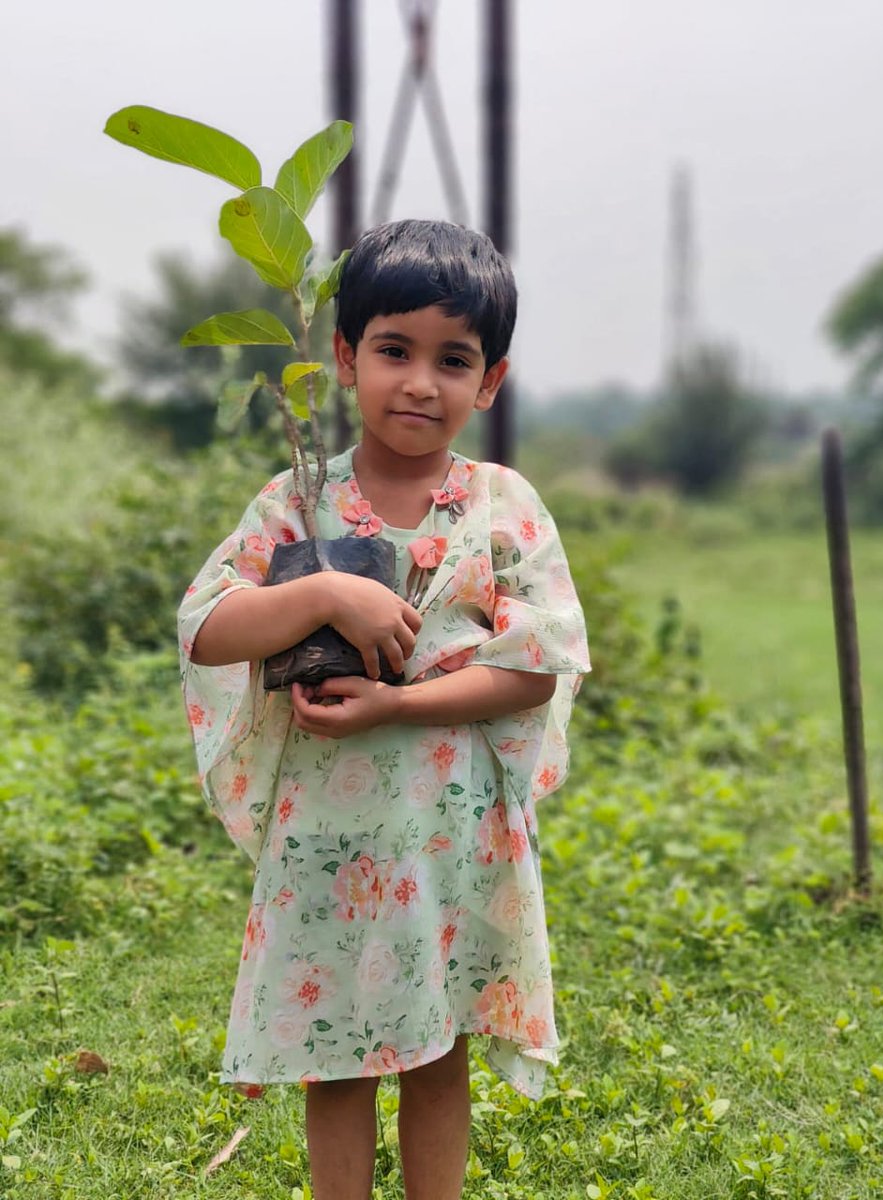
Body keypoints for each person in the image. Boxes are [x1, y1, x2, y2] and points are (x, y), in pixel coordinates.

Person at [177, 219, 590, 1200]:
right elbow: (207, 625)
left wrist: (394, 710)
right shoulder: (297, 504)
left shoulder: (501, 507)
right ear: (343, 358)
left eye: (454, 360)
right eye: (394, 351)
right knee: (340, 1052)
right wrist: (324, 593)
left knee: (438, 1048)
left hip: (456, 834)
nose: (420, 382)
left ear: (490, 382)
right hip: (332, 835)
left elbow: (536, 665)